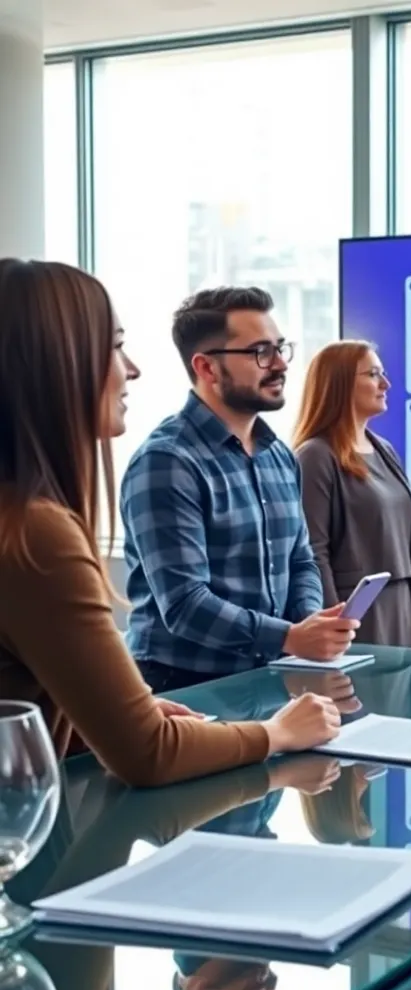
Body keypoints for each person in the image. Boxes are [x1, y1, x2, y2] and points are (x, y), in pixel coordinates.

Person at [0, 261, 343, 787]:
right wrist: (276, 734)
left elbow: (300, 557)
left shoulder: (279, 455)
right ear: (56, 364)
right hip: (194, 686)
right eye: (114, 346)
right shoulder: (36, 534)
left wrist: (133, 715)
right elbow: (149, 753)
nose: (131, 368)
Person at [119, 287, 357, 693]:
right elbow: (185, 605)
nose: (280, 364)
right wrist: (289, 637)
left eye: (280, 348)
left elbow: (300, 560)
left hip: (269, 676)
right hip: (182, 686)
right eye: (261, 352)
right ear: (207, 368)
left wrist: (310, 624)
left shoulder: (279, 455)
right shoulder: (167, 462)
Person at [294, 341, 411, 648]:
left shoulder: (383, 448)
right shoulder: (315, 456)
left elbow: (407, 541)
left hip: (399, 606)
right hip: (354, 615)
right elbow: (313, 551)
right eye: (373, 374)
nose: (386, 384)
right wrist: (332, 624)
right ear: (340, 384)